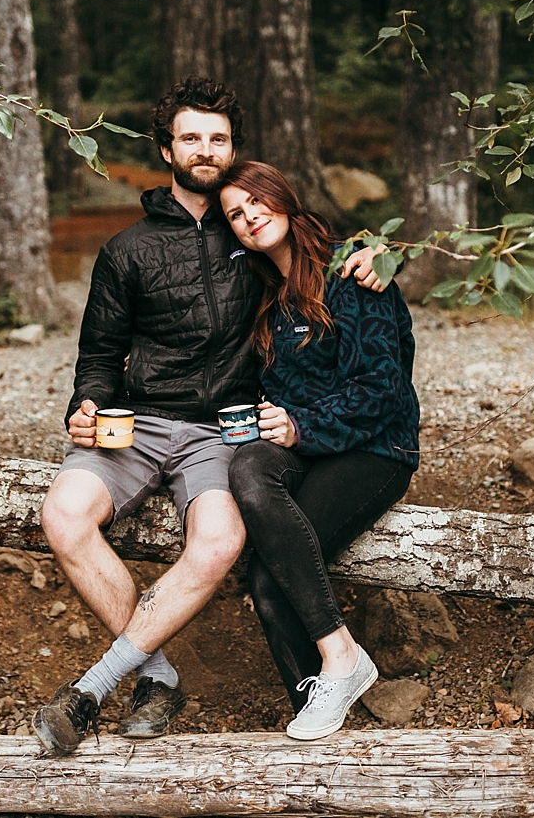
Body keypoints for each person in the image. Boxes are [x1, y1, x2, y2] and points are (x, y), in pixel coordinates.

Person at [31, 78, 382, 756]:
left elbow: (325, 256)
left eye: (217, 138)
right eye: (190, 137)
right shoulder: (127, 250)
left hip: (225, 430)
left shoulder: (254, 229)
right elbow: (99, 355)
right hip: (135, 423)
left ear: (231, 148)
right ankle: (156, 675)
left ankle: (92, 688)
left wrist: (377, 256)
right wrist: (87, 405)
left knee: (219, 543)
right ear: (166, 148)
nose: (204, 149)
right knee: (62, 514)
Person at [217, 160, 419, 741]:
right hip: (307, 447)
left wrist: (302, 426)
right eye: (235, 213)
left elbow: (383, 391)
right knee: (249, 464)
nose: (249, 216)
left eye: (256, 201)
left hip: (377, 449)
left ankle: (339, 669)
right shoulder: (265, 296)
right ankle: (335, 677)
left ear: (283, 198)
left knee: (266, 582)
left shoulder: (354, 270)